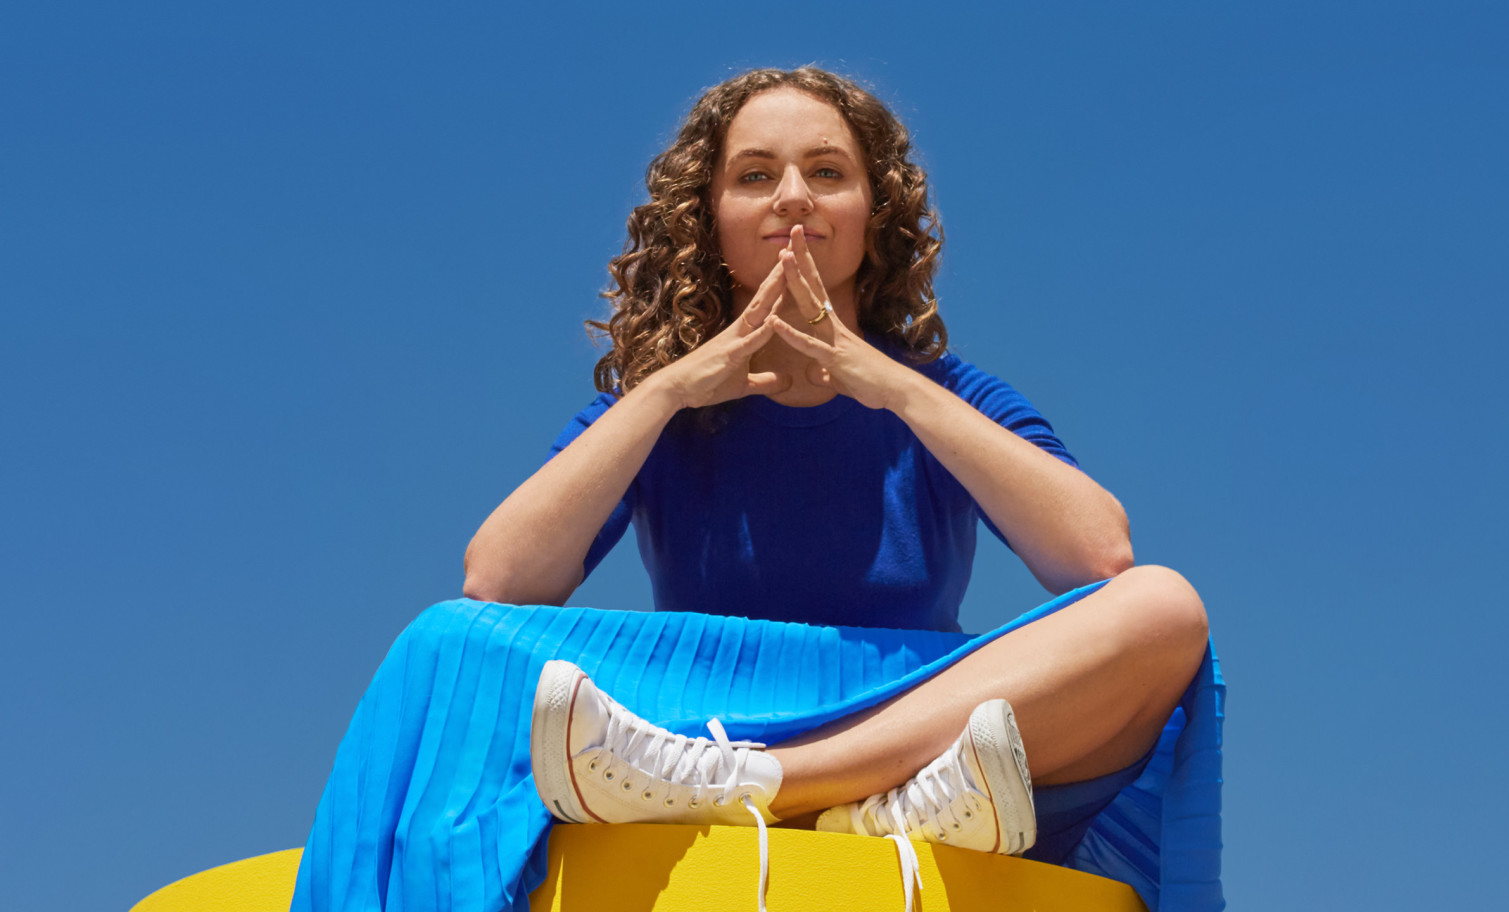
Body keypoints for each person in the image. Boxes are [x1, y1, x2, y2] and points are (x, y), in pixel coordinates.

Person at [292, 66, 1223, 912]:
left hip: (898, 715)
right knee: (443, 642)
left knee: (1164, 611)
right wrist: (665, 389)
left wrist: (892, 385)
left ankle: (782, 780)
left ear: (871, 213)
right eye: (753, 176)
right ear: (712, 219)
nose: (791, 199)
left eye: (826, 173)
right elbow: (496, 581)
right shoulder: (658, 410)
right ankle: (856, 800)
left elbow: (1099, 557)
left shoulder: (949, 396)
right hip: (689, 723)